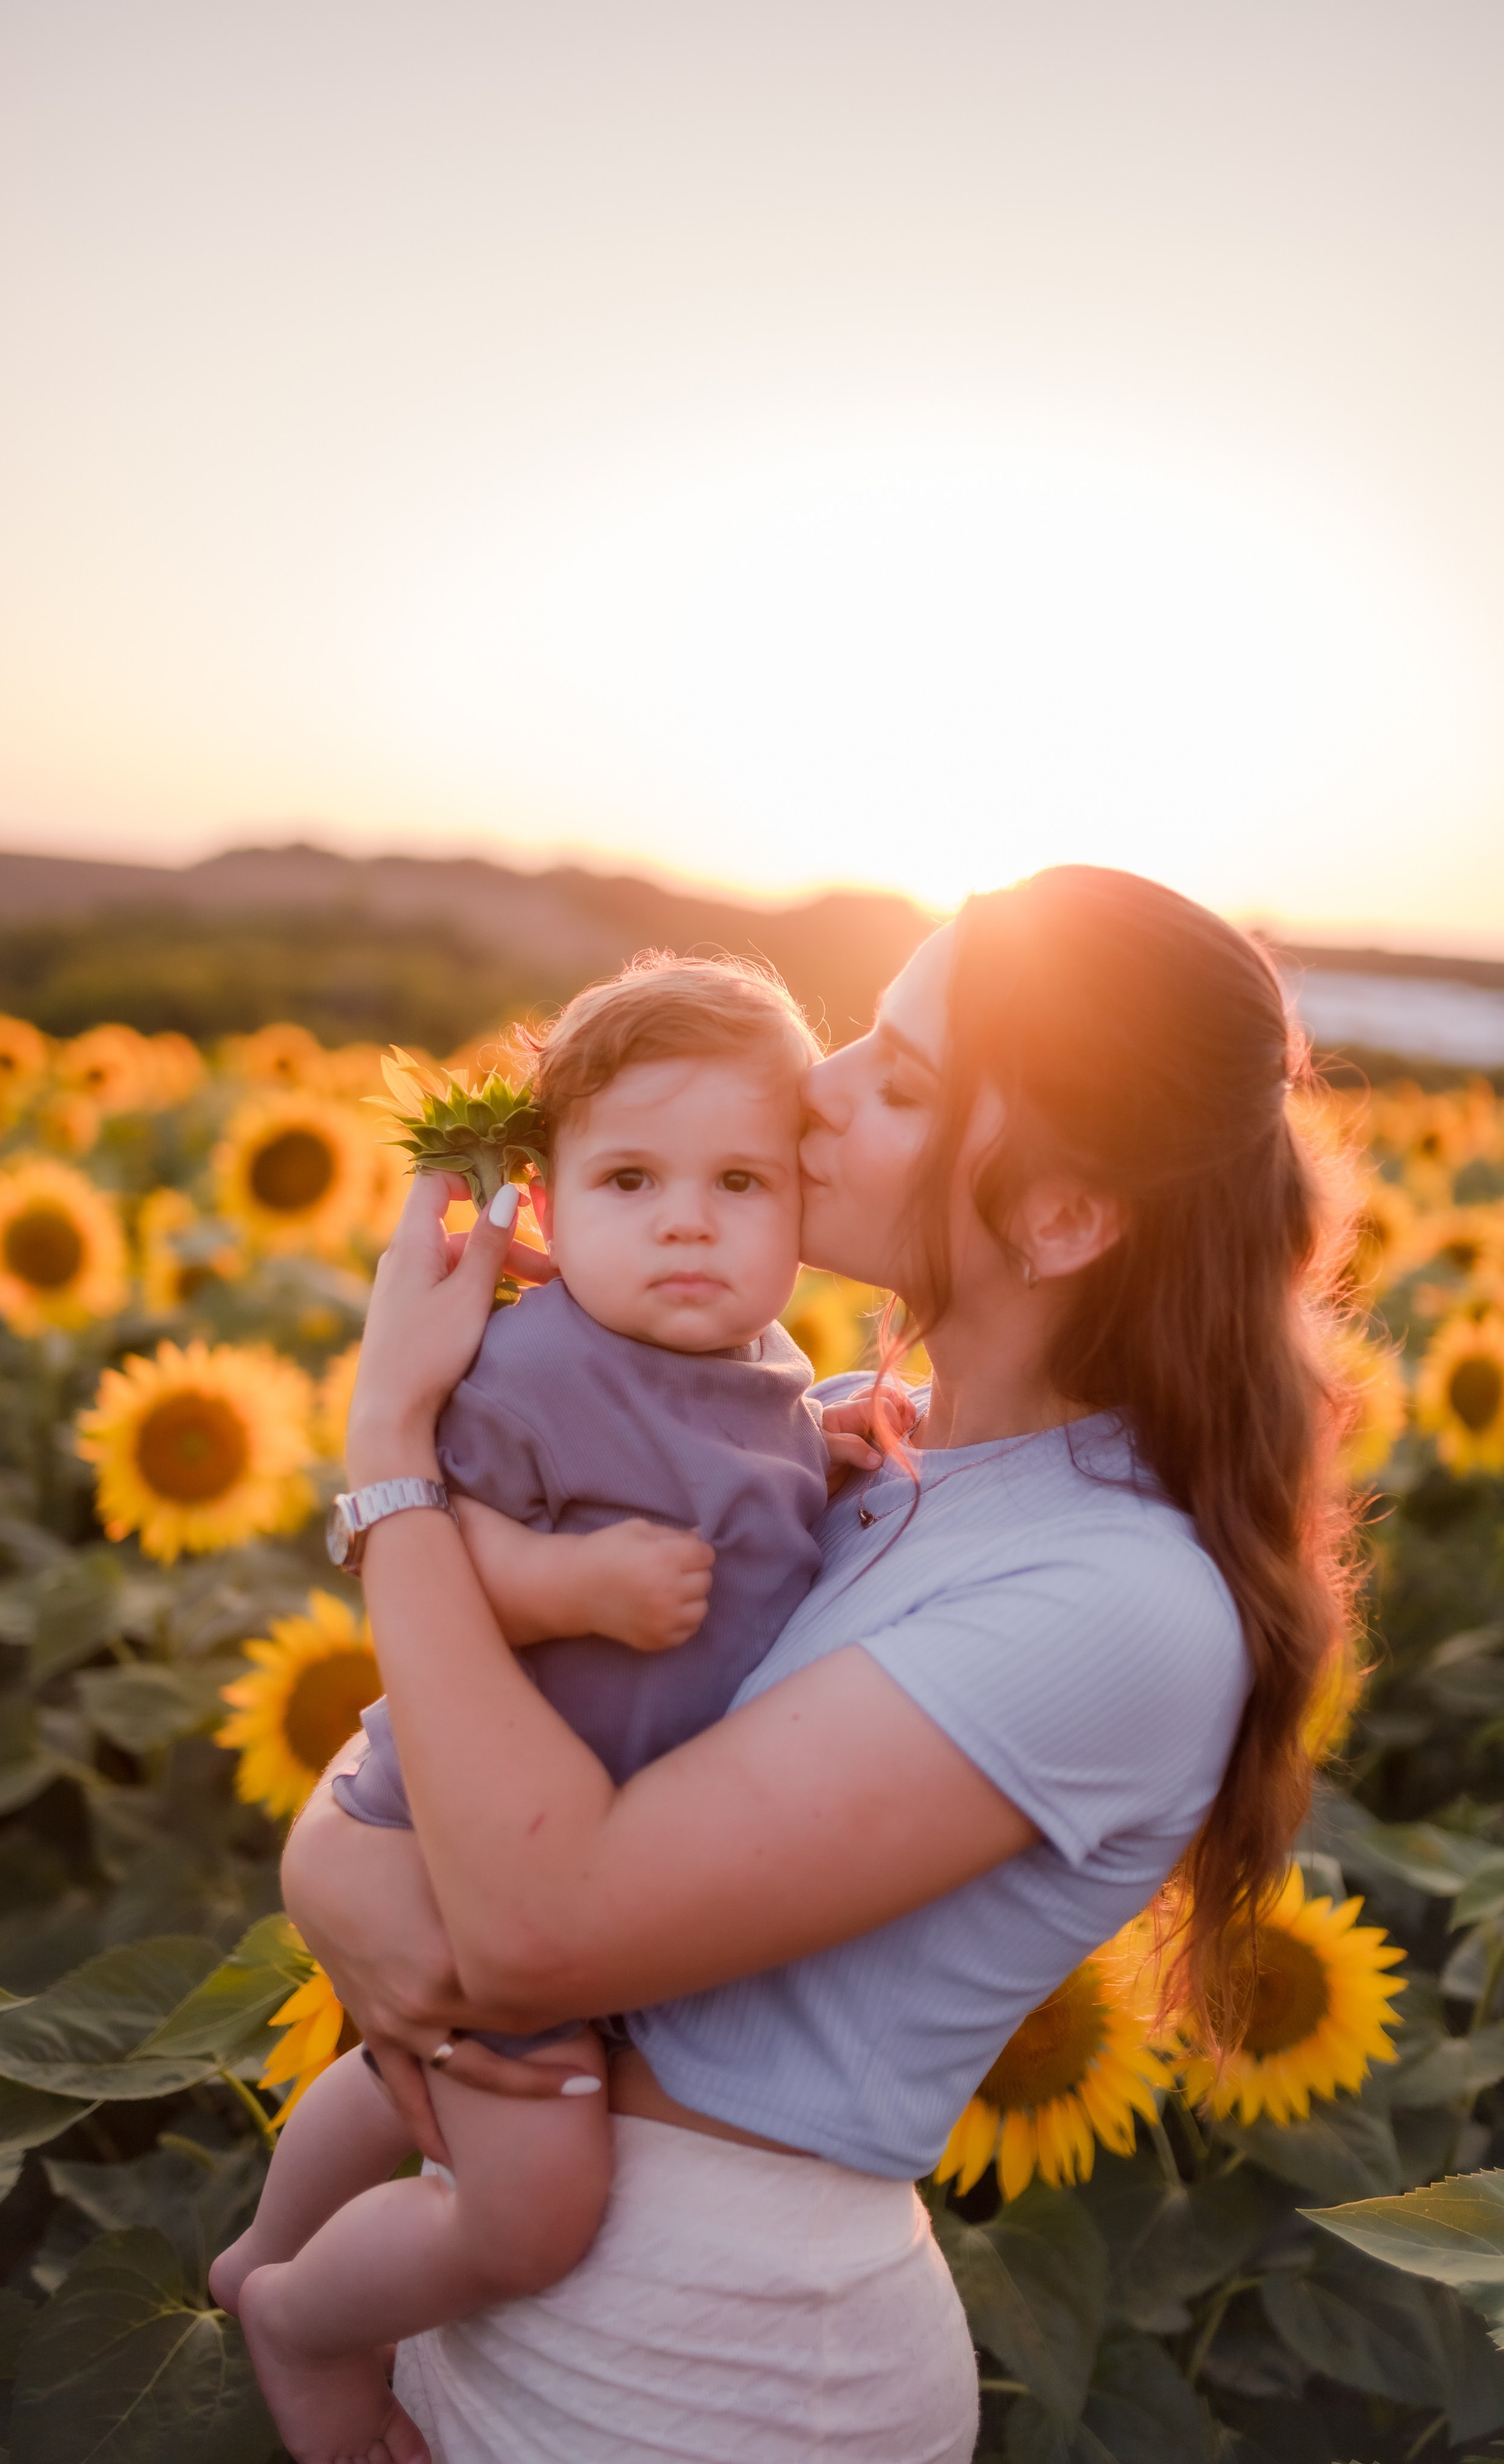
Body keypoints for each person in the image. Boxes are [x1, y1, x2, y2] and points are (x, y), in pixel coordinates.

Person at [281, 866, 1354, 2464]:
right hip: (516, 2285)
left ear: (1060, 1215)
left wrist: (389, 1464)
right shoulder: (862, 1455)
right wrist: (334, 1870)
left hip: (718, 2376)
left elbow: (536, 1930)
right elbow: (460, 1776)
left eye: (900, 1081)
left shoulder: (1112, 1602)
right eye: (859, 1043)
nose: (818, 1096)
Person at [216, 957, 897, 2464]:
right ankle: (303, 2319)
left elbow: (750, 1503)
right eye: (630, 1179)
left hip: (606, 1841)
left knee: (392, 2059)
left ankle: (256, 2244)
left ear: (801, 1202)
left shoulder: (773, 1374)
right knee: (529, 2209)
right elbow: (425, 1542)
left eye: (739, 1180)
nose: (684, 1220)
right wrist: (567, 1588)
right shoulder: (534, 1364)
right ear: (541, 1202)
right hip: (484, 1818)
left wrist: (830, 1452)